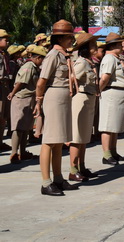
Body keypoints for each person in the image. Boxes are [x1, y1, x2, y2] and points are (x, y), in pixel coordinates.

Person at [34, 19, 79, 196]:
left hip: (63, 98)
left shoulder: (64, 55)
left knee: (59, 141)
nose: (71, 40)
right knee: (49, 140)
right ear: (59, 38)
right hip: (54, 96)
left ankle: (58, 178)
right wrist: (38, 101)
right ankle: (46, 182)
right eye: (69, 37)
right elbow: (41, 81)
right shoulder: (53, 55)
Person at [98, 32, 124, 166]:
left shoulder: (116, 58)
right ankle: (106, 154)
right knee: (108, 125)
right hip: (112, 93)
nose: (122, 46)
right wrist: (99, 91)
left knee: (115, 126)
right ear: (112, 46)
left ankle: (113, 151)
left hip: (119, 94)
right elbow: (105, 78)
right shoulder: (109, 59)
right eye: (119, 44)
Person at [7, 45, 45, 164]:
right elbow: (21, 82)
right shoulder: (28, 66)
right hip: (21, 98)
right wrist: (12, 93)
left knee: (26, 128)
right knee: (18, 127)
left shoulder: (34, 67)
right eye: (42, 59)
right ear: (37, 58)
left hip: (29, 98)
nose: (42, 62)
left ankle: (23, 152)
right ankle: (14, 153)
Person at [69, 32, 99, 181]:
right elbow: (72, 78)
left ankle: (82, 167)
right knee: (77, 136)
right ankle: (73, 169)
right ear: (86, 47)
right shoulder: (81, 62)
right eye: (93, 44)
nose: (96, 46)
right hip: (81, 99)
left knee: (85, 136)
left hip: (89, 98)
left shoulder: (89, 62)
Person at [0, 29, 13, 152]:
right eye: (5, 39)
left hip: (5, 86)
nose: (8, 42)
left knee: (3, 116)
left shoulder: (5, 54)